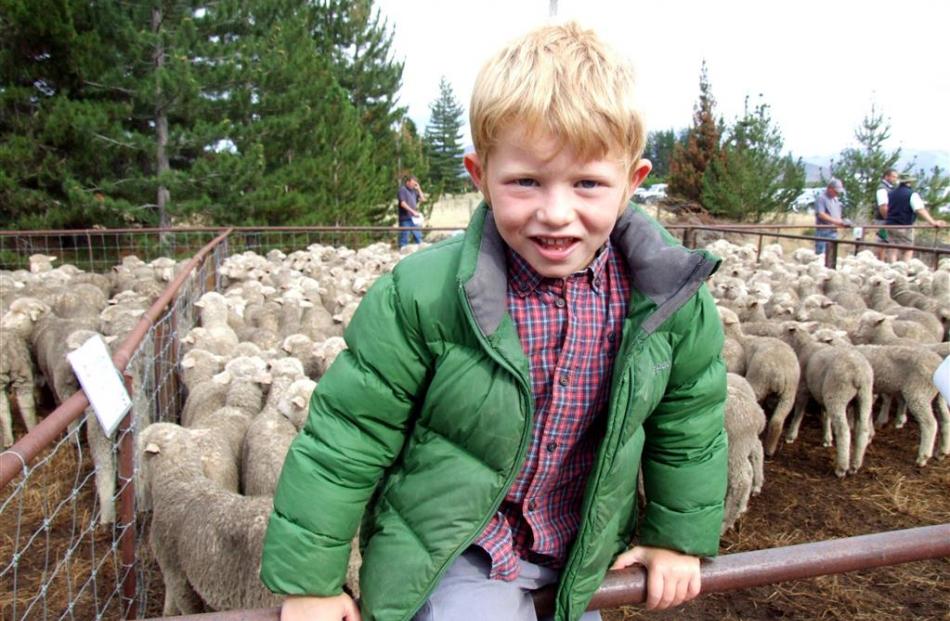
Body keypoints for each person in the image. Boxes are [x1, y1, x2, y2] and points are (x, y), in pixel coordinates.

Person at [261, 21, 727, 621]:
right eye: (525, 182)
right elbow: (346, 438)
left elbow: (689, 424)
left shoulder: (666, 297)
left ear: (631, 183)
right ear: (480, 176)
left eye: (588, 183)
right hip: (457, 545)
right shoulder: (423, 295)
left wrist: (675, 537)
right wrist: (311, 582)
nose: (556, 214)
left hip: (581, 545)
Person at [882, 174, 945, 262]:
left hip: (890, 224)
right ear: (909, 182)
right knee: (908, 249)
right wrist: (933, 222)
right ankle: (904, 269)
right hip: (904, 225)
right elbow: (920, 209)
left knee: (893, 248)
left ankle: (893, 267)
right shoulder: (911, 194)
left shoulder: (891, 193)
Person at [814, 178, 848, 255]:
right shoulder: (821, 198)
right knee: (821, 255)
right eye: (835, 191)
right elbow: (821, 214)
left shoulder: (836, 200)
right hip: (823, 232)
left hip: (833, 231)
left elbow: (837, 214)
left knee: (832, 254)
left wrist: (842, 222)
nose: (837, 193)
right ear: (829, 188)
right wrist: (836, 221)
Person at [873, 168, 899, 257]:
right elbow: (883, 206)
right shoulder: (882, 189)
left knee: (886, 241)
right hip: (883, 219)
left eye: (896, 177)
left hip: (886, 219)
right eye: (893, 177)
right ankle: (879, 261)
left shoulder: (890, 188)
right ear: (886, 176)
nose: (895, 179)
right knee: (882, 241)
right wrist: (888, 219)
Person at [397, 175, 426, 247]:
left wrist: (419, 189)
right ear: (407, 182)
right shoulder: (402, 190)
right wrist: (413, 211)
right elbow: (402, 204)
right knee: (404, 238)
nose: (414, 185)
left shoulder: (414, 191)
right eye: (413, 183)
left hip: (414, 219)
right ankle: (403, 253)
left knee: (418, 237)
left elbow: (423, 199)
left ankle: (419, 253)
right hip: (405, 218)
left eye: (415, 184)